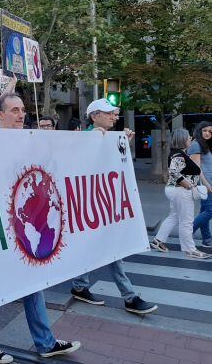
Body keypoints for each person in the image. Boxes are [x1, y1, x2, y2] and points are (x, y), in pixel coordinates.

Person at [0, 93, 80, 361]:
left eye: (23, 110)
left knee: (32, 283)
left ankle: (45, 342)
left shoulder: (29, 141)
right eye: (14, 110)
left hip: (23, 227)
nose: (22, 115)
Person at [70, 98, 158, 313]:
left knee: (102, 247)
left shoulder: (110, 137)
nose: (114, 116)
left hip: (104, 205)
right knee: (111, 249)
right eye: (109, 113)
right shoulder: (85, 137)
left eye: (115, 113)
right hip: (92, 206)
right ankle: (129, 297)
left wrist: (122, 145)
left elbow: (114, 165)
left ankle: (80, 286)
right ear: (94, 116)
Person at [150, 129, 211, 259]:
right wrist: (186, 184)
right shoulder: (178, 154)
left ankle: (158, 240)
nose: (190, 139)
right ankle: (190, 249)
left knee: (174, 216)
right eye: (188, 137)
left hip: (175, 190)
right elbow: (173, 172)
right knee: (186, 221)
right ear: (182, 139)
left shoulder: (179, 153)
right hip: (180, 190)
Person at [189, 121, 212, 247]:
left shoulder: (205, 145)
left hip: (209, 182)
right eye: (205, 130)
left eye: (210, 131)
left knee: (205, 210)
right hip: (205, 184)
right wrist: (206, 184)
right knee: (210, 211)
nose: (207, 133)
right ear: (199, 130)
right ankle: (188, 233)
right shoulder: (196, 145)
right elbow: (197, 169)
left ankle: (207, 239)